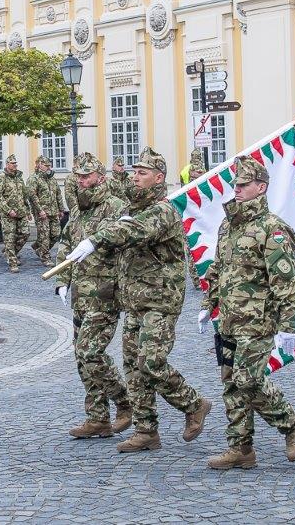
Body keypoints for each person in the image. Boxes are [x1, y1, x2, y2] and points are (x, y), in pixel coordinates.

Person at [64, 147, 211, 454]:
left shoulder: (163, 210)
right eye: (134, 172)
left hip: (160, 301)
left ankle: (194, 404)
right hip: (134, 300)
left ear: (158, 178)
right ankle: (146, 430)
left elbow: (134, 230)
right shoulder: (135, 208)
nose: (135, 177)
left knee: (150, 362)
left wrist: (95, 239)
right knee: (133, 368)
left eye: (142, 173)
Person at [198, 156, 295, 470]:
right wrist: (208, 305)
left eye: (244, 185)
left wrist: (287, 325)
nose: (237, 190)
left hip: (258, 321)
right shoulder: (228, 225)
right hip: (229, 319)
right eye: (236, 185)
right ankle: (240, 448)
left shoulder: (273, 229)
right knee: (231, 383)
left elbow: (285, 281)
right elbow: (218, 269)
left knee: (248, 380)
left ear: (261, 187)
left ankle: (292, 423)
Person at [54, 153, 132, 439]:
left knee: (90, 352)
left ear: (100, 177)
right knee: (81, 357)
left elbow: (124, 243)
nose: (81, 180)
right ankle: (97, 417)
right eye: (78, 176)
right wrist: (62, 281)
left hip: (105, 293)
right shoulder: (79, 210)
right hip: (81, 293)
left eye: (86, 176)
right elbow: (66, 245)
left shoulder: (117, 206)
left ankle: (124, 400)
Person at [0, 156, 32, 273]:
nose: (15, 165)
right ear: (7, 164)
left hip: (21, 212)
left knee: (26, 233)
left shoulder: (19, 177)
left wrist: (28, 211)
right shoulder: (2, 178)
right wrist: (8, 210)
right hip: (8, 215)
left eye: (16, 163)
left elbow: (24, 195)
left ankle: (10, 252)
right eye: (12, 163)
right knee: (9, 239)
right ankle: (12, 262)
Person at [28, 156, 65, 267]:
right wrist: (40, 210)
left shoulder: (52, 179)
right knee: (45, 236)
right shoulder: (34, 179)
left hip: (54, 211)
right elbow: (32, 196)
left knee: (56, 234)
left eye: (49, 165)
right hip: (42, 213)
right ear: (39, 165)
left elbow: (58, 194)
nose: (48, 167)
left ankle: (38, 247)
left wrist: (61, 209)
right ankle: (45, 257)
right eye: (46, 165)